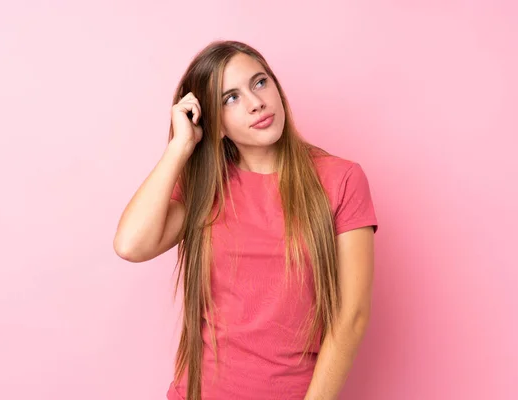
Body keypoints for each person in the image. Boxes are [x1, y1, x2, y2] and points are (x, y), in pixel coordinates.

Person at [113, 40, 379, 400]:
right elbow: (131, 245)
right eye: (230, 98)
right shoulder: (204, 189)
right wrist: (179, 147)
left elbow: (351, 317)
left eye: (259, 82)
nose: (256, 103)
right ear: (215, 123)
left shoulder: (340, 180)